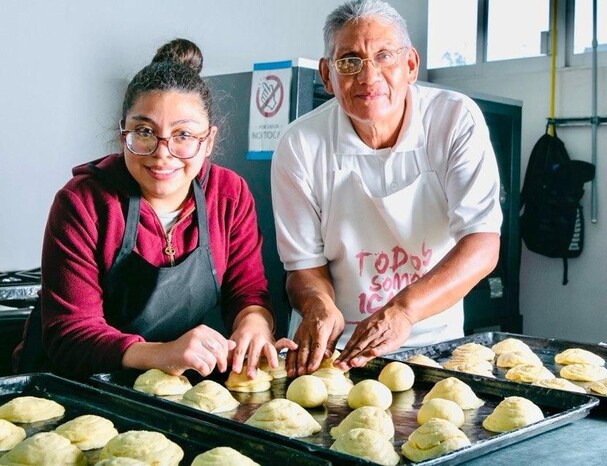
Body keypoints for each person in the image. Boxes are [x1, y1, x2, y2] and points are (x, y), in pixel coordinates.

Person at [13, 39, 293, 378]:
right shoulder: (83, 202)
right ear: (123, 136)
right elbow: (71, 333)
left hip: (163, 383)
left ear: (209, 141)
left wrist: (254, 324)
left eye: (183, 135)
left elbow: (247, 291)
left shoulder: (228, 195)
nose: (163, 153)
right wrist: (162, 353)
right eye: (145, 132)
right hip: (70, 385)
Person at [271, 0, 502, 377]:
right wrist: (316, 304)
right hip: (338, 352)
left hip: (434, 343)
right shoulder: (300, 144)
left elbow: (482, 244)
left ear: (410, 65)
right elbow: (303, 267)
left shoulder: (453, 119)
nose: (368, 76)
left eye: (383, 56)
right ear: (327, 76)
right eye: (349, 60)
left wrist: (404, 310)